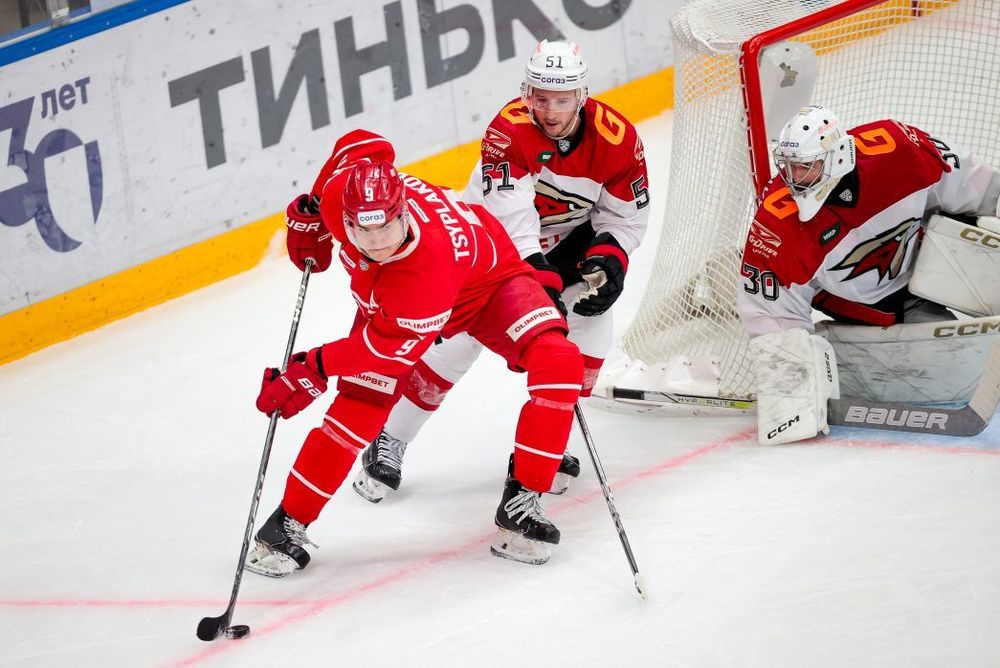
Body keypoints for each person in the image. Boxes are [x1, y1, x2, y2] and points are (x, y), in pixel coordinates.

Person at [247, 128, 585, 574]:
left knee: (559, 361)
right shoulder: (340, 194)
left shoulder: (422, 277)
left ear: (404, 211)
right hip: (396, 304)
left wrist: (313, 365)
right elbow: (363, 144)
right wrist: (313, 208)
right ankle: (285, 526)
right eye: (362, 230)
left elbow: (381, 352)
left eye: (386, 226)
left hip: (490, 282)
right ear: (345, 217)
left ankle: (522, 500)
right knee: (358, 407)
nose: (377, 241)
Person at [352, 39, 650, 503]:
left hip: (567, 242)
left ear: (582, 96)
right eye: (539, 98)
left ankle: (545, 446)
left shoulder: (618, 141)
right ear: (526, 92)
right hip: (487, 244)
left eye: (561, 100)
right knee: (462, 339)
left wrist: (611, 258)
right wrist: (539, 285)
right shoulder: (508, 131)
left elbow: (625, 217)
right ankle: (391, 437)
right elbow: (514, 224)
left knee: (590, 333)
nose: (549, 111)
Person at [738, 104, 1000, 444]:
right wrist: (795, 395)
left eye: (806, 167)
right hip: (870, 306)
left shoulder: (900, 150)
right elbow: (771, 312)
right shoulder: (778, 227)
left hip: (931, 258)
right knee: (958, 368)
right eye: (788, 167)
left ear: (837, 157)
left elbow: (966, 182)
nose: (794, 178)